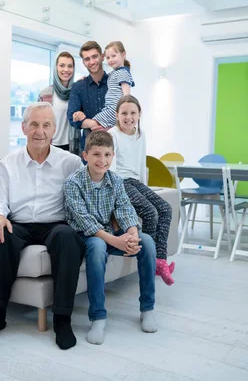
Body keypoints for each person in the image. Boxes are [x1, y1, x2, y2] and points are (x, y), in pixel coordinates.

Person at [0, 102, 84, 350]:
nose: (40, 131)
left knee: (68, 238)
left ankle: (62, 320)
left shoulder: (71, 163)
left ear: (54, 130)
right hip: (19, 223)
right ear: (24, 127)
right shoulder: (8, 164)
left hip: (55, 224)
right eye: (34, 124)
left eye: (46, 125)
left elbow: (88, 192)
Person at [64, 130, 158, 345]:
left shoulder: (115, 180)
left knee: (148, 243)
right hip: (87, 236)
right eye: (96, 154)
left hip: (113, 234)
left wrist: (132, 234)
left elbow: (125, 209)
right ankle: (98, 317)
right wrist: (115, 241)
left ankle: (147, 309)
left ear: (112, 157)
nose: (102, 160)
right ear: (85, 155)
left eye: (107, 155)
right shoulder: (73, 183)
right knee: (97, 247)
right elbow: (84, 220)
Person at [109, 95, 175, 285]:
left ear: (139, 115)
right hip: (120, 182)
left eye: (133, 113)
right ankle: (147, 263)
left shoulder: (140, 134)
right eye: (124, 113)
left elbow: (140, 164)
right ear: (117, 115)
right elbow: (111, 170)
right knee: (150, 212)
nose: (128, 117)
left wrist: (145, 188)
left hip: (135, 181)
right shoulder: (112, 135)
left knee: (165, 208)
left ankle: (160, 260)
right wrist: (115, 195)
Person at [67, 41, 108, 157]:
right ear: (84, 62)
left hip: (115, 147)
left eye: (95, 56)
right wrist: (95, 124)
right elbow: (71, 117)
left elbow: (121, 113)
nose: (92, 62)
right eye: (87, 59)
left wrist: (92, 123)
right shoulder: (78, 87)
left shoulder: (115, 83)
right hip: (89, 151)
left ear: (102, 56)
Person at [38, 51, 79, 153]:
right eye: (62, 65)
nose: (66, 70)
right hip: (49, 145)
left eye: (70, 66)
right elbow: (38, 122)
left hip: (71, 146)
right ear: (56, 67)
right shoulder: (44, 94)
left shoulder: (78, 91)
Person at [89, 41, 134, 131]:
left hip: (114, 108)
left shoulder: (123, 72)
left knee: (91, 123)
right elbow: (100, 78)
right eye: (108, 57)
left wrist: (124, 111)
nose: (110, 60)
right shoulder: (114, 73)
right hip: (109, 108)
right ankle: (110, 128)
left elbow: (126, 95)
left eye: (113, 56)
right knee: (95, 127)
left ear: (123, 55)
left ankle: (111, 128)